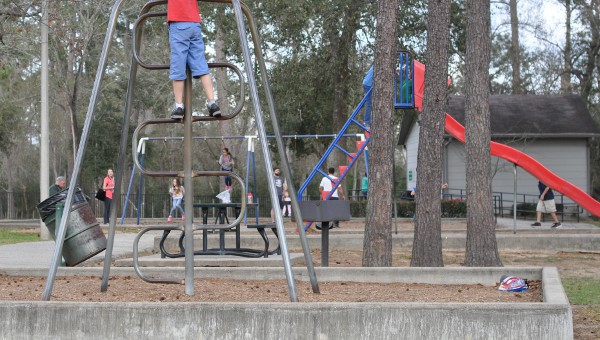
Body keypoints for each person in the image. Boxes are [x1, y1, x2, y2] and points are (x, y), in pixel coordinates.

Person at [167, 0, 221, 120]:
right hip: (194, 24)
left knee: (178, 65)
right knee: (201, 64)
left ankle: (179, 106)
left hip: (178, 23)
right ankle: (213, 103)